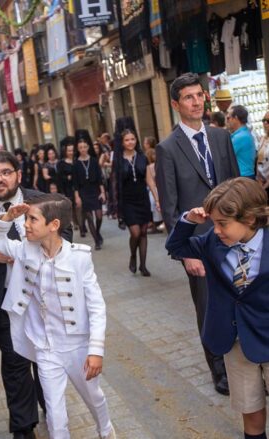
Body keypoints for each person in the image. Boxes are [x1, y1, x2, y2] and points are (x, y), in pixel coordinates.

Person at [0, 151, 73, 439]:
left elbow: (67, 234)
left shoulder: (42, 201)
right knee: (16, 361)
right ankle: (23, 427)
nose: (0, 178)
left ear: (18, 175)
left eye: (6, 172)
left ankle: (51, 406)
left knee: (46, 359)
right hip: (4, 302)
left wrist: (41, 248)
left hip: (44, 299)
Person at [0, 193, 115, 439]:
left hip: (76, 345)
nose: (25, 224)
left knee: (93, 396)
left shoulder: (79, 258)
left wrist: (96, 350)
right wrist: (7, 217)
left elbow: (97, 306)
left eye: (32, 219)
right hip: (45, 346)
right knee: (55, 413)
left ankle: (106, 430)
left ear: (53, 225)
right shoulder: (25, 250)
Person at [155, 72, 240, 395]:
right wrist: (185, 252)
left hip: (233, 236)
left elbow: (236, 185)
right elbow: (170, 207)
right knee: (209, 307)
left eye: (199, 95)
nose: (195, 102)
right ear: (176, 104)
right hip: (198, 244)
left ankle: (249, 364)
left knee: (241, 300)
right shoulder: (167, 148)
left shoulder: (220, 138)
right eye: (187, 97)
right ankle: (219, 370)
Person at [165, 177, 269, 439]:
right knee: (250, 407)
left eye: (223, 223)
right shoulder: (213, 241)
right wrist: (188, 221)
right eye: (214, 223)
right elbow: (176, 247)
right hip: (235, 341)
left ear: (249, 219)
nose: (218, 229)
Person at [116, 129, 158, 276]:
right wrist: (115, 205)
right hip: (127, 201)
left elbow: (149, 180)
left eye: (133, 139)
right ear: (122, 142)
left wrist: (157, 199)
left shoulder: (142, 157)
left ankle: (143, 266)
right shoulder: (118, 160)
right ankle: (133, 255)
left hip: (142, 199)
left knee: (144, 232)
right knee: (135, 232)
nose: (130, 142)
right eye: (127, 140)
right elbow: (115, 184)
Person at [73, 129, 106, 250]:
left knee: (99, 216)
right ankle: (97, 241)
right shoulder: (76, 164)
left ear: (88, 147)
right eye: (80, 147)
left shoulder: (93, 160)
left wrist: (102, 192)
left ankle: (97, 233)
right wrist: (77, 197)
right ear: (78, 149)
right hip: (83, 192)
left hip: (95, 190)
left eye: (84, 147)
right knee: (90, 218)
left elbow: (99, 178)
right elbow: (75, 183)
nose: (83, 149)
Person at [226, 105, 257, 179]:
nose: (226, 121)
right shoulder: (244, 133)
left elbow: (224, 156)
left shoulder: (240, 137)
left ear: (236, 118)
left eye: (228, 118)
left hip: (243, 177)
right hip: (245, 177)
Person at [58, 136, 80, 229]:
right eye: (69, 151)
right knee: (72, 206)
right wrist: (67, 177)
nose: (71, 152)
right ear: (65, 152)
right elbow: (59, 176)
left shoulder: (77, 161)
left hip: (79, 186)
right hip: (68, 187)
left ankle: (81, 222)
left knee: (79, 205)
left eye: (72, 150)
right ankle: (75, 222)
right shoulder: (61, 163)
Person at [257, 111, 269, 198]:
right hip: (261, 182)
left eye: (268, 121)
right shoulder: (262, 139)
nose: (265, 123)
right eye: (264, 120)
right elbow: (259, 161)